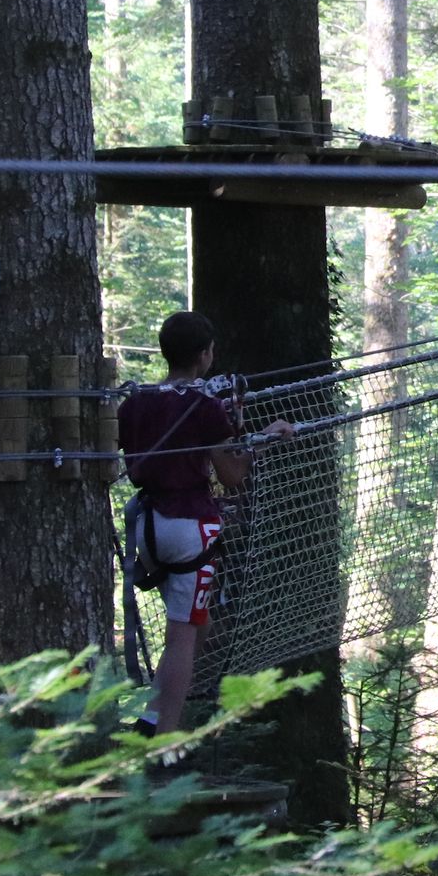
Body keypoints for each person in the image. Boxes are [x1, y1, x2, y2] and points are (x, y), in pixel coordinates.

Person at [118, 311, 292, 739]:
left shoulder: (134, 403)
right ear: (203, 356)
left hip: (148, 527)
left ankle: (152, 719)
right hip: (189, 527)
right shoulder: (205, 407)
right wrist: (266, 440)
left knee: (198, 625)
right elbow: (231, 476)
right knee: (183, 634)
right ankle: (165, 742)